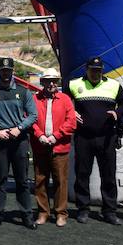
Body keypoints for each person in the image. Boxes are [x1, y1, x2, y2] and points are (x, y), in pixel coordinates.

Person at [69, 56, 123, 225]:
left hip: (107, 137)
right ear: (86, 69)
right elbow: (63, 101)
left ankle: (109, 211)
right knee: (82, 174)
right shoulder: (74, 84)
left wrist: (118, 113)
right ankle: (83, 209)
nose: (96, 73)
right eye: (92, 70)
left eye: (99, 70)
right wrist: (71, 112)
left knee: (108, 175)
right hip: (83, 138)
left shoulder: (113, 85)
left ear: (102, 70)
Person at [0, 57, 38, 230]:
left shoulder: (23, 92)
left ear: (13, 71)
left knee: (22, 180)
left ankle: (26, 214)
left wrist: (19, 128)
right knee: (0, 180)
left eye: (8, 70)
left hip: (19, 140)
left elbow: (32, 115)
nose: (5, 73)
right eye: (2, 70)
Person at [30, 68, 76, 227]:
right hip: (40, 147)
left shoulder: (65, 99)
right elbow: (30, 119)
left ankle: (61, 213)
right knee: (40, 181)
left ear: (58, 82)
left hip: (60, 147)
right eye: (48, 81)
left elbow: (71, 122)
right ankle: (43, 212)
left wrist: (56, 135)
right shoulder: (35, 99)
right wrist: (39, 135)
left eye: (54, 81)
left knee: (60, 181)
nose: (51, 84)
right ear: (42, 82)